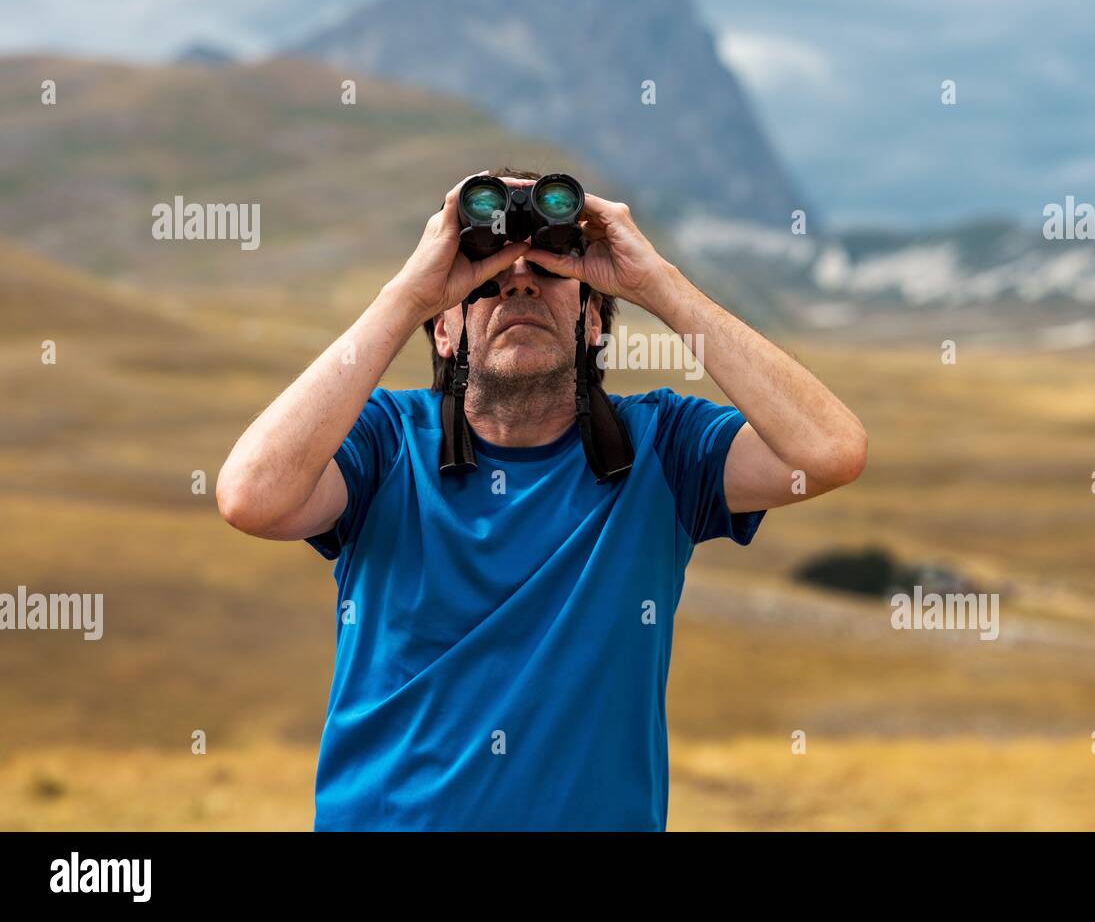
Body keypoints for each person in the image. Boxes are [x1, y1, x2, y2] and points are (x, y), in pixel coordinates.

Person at [216, 167, 868, 831]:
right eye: (486, 276)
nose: (518, 282)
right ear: (442, 332)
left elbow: (830, 451)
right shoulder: (386, 443)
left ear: (592, 323)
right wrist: (407, 295)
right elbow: (251, 497)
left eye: (550, 273)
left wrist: (660, 284)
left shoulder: (663, 448)